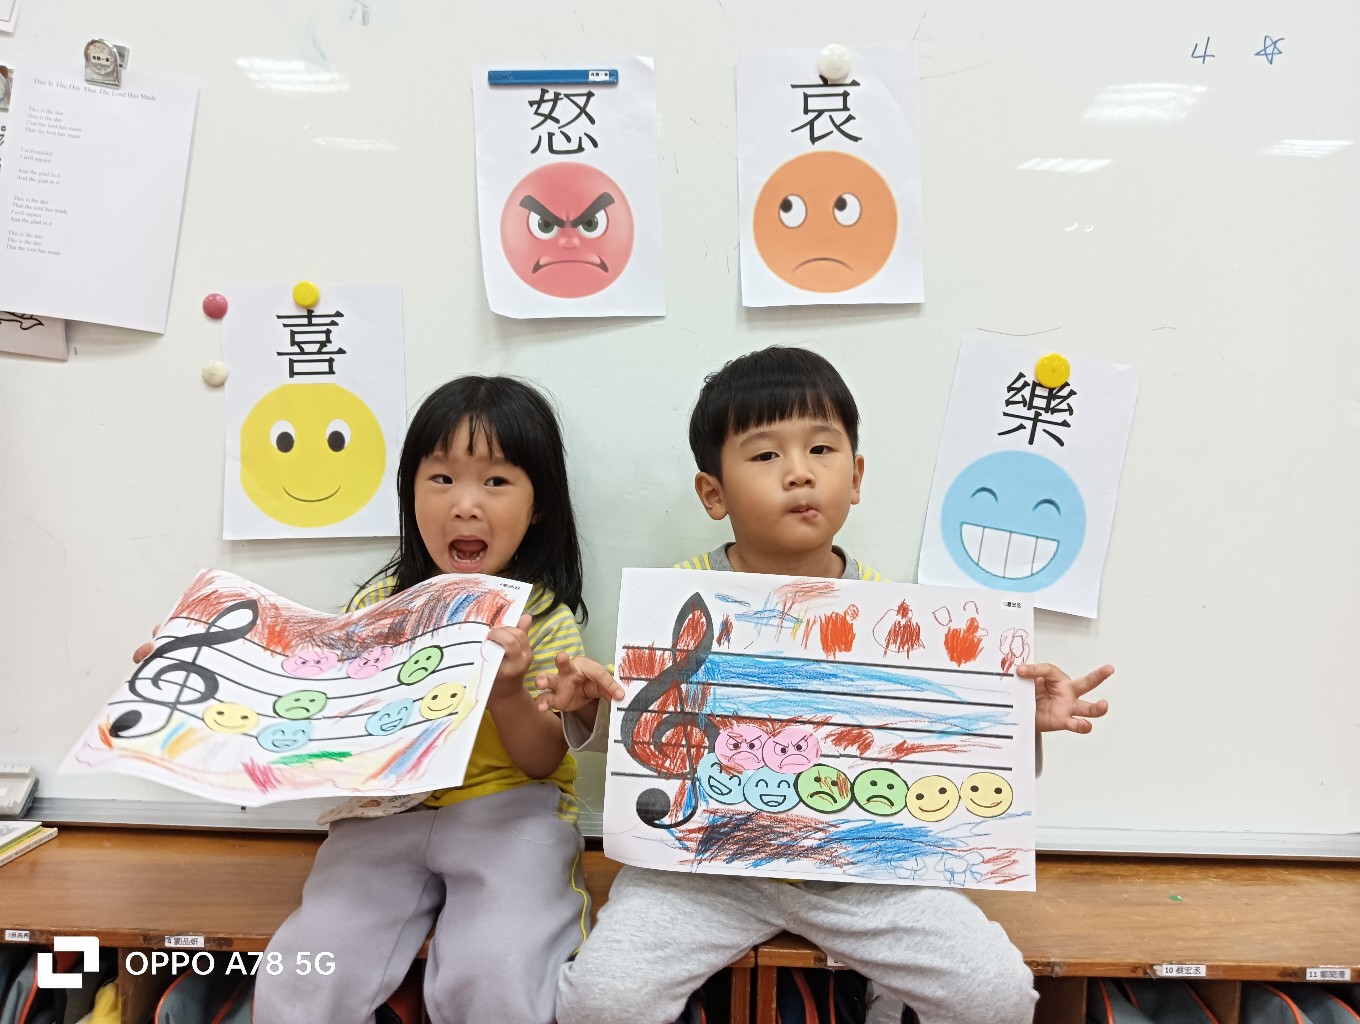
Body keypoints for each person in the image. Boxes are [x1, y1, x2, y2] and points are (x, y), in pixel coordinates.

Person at [543, 346, 1114, 1024]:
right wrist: (588, 712)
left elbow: (951, 760)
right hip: (698, 868)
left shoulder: (900, 617)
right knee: (602, 999)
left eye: (821, 448)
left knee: (995, 994)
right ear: (713, 493)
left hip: (867, 872)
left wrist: (1019, 717)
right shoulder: (674, 600)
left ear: (856, 476)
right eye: (765, 455)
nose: (799, 472)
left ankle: (886, 1003)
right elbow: (649, 737)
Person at [248, 375, 621, 1024]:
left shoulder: (543, 618)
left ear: (538, 506)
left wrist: (508, 689)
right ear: (410, 493)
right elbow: (327, 716)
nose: (465, 505)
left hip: (511, 813)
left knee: (499, 966)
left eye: (496, 481)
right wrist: (212, 675)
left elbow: (540, 762)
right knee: (308, 962)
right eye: (441, 478)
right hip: (385, 815)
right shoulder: (378, 605)